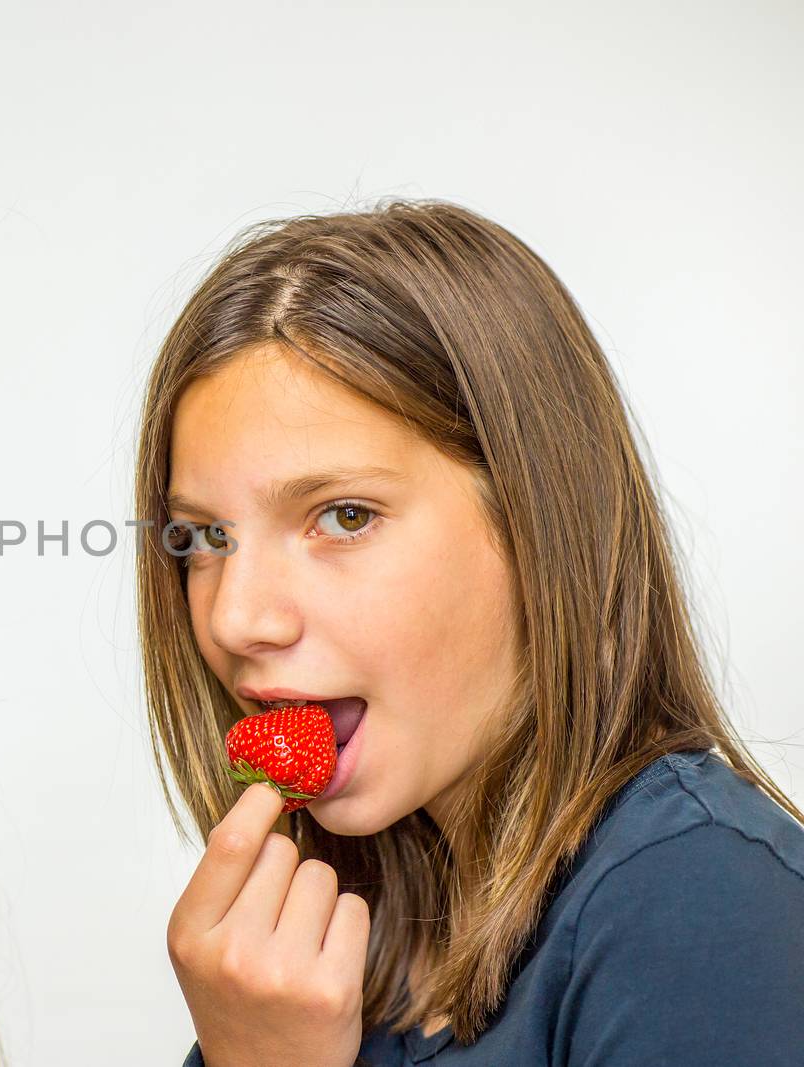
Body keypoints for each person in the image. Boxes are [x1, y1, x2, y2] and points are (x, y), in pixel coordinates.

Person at [129, 201, 804, 1066]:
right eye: (204, 539)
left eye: (343, 515)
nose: (236, 618)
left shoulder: (700, 905)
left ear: (539, 523)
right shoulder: (315, 964)